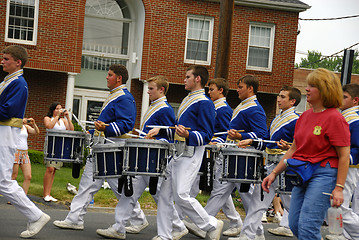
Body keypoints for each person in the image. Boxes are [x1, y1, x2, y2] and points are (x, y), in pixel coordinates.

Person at [53, 64, 147, 236]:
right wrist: (94, 131)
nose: (106, 77)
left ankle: (138, 219)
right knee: (88, 184)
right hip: (103, 146)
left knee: (115, 187)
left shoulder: (124, 98)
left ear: (119, 78)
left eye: (109, 75)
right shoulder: (116, 96)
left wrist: (105, 128)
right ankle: (75, 219)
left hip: (112, 147)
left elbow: (126, 124)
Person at [262, 68, 350, 240]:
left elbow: (344, 156)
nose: (307, 89)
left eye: (312, 86)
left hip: (323, 175)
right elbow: (294, 149)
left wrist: (339, 188)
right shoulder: (304, 116)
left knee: (308, 227)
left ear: (325, 90)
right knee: (294, 225)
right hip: (302, 174)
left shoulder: (335, 118)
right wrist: (273, 173)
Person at [97, 75, 188, 240]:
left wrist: (156, 138)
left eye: (151, 88)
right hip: (144, 159)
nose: (148, 91)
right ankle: (119, 227)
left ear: (161, 90)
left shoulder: (165, 109)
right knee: (129, 194)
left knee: (160, 196)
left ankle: (178, 226)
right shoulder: (155, 106)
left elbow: (170, 136)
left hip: (154, 161)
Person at [156, 65, 223, 240]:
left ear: (197, 79)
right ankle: (164, 235)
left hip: (192, 152)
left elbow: (207, 134)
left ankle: (212, 224)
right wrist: (161, 131)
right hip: (177, 153)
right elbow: (180, 129)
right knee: (164, 194)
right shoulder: (188, 99)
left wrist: (188, 134)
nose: (184, 80)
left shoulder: (205, 102)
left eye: (187, 77)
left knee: (181, 195)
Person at [202, 75, 268, 240]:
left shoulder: (255, 108)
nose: (237, 90)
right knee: (220, 192)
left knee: (246, 195)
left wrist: (240, 135)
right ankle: (203, 223)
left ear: (250, 88)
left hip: (243, 158)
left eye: (240, 87)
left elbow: (262, 135)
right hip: (233, 156)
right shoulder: (245, 105)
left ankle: (256, 232)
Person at [238, 85, 302, 238]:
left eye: (282, 97)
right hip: (271, 165)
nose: (278, 99)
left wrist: (288, 146)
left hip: (286, 166)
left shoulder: (297, 120)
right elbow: (267, 140)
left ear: (292, 101)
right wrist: (251, 141)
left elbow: (301, 145)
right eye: (279, 96)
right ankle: (247, 236)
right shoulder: (277, 118)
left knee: (291, 205)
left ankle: (308, 233)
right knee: (257, 203)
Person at [0, 45, 50, 238]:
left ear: (17, 62)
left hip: (6, 133)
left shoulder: (18, 83)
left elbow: (8, 111)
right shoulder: (10, 81)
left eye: (6, 59)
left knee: (4, 181)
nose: (2, 61)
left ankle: (36, 215)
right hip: (4, 131)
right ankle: (35, 215)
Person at [184, 77, 243, 238]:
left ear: (221, 91)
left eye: (211, 89)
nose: (208, 92)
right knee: (220, 190)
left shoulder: (223, 109)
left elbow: (224, 133)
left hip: (216, 154)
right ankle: (236, 221)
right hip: (208, 152)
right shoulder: (215, 106)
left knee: (215, 188)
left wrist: (213, 140)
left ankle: (193, 221)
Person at [325, 83, 359, 240]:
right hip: (337, 166)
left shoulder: (355, 119)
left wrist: (341, 158)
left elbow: (357, 148)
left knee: (340, 208)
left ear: (355, 100)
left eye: (345, 97)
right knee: (334, 206)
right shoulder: (342, 116)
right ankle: (347, 236)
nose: (340, 99)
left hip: (349, 167)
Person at [43, 102, 74, 202]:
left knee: (54, 169)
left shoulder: (63, 120)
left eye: (60, 108)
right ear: (53, 110)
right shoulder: (48, 118)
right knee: (50, 168)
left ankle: (49, 193)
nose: (59, 110)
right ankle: (45, 194)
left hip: (60, 146)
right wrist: (56, 116)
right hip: (51, 145)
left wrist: (68, 117)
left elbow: (71, 129)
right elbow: (49, 126)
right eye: (57, 108)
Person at [11, 117, 40, 196]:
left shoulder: (26, 127)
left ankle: (23, 196)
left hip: (24, 153)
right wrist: (20, 122)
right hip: (16, 152)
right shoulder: (14, 125)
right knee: (14, 175)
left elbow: (36, 132)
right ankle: (12, 196)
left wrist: (33, 123)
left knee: (28, 176)